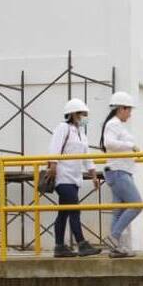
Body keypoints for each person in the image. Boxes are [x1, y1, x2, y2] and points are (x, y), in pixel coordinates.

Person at [48, 98, 102, 258]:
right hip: (63, 177)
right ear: (73, 114)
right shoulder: (63, 128)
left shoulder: (81, 134)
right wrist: (53, 166)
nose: (85, 117)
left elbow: (87, 157)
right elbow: (54, 148)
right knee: (74, 210)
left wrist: (93, 176)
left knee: (64, 212)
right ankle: (82, 244)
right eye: (82, 114)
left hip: (74, 178)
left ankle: (59, 246)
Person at [99, 91, 142, 258]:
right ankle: (114, 238)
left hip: (119, 171)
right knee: (137, 205)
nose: (130, 114)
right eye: (129, 110)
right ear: (121, 109)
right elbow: (109, 143)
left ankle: (115, 248)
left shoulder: (115, 124)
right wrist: (131, 146)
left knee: (118, 211)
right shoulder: (113, 124)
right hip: (118, 172)